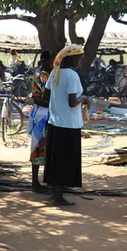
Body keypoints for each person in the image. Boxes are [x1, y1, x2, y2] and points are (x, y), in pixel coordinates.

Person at [42, 45, 89, 206]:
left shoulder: (55, 72)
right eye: (78, 58)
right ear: (71, 58)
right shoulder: (72, 76)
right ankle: (59, 196)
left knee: (55, 159)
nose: (80, 62)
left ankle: (54, 191)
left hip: (55, 122)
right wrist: (83, 98)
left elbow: (46, 94)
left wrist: (56, 105)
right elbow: (72, 102)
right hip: (69, 124)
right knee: (65, 160)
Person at [26, 50, 54, 193]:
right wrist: (53, 104)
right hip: (42, 116)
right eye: (51, 61)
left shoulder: (52, 74)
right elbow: (36, 98)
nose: (53, 64)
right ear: (44, 60)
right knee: (38, 147)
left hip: (52, 115)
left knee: (50, 149)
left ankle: (49, 181)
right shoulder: (38, 76)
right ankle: (35, 182)